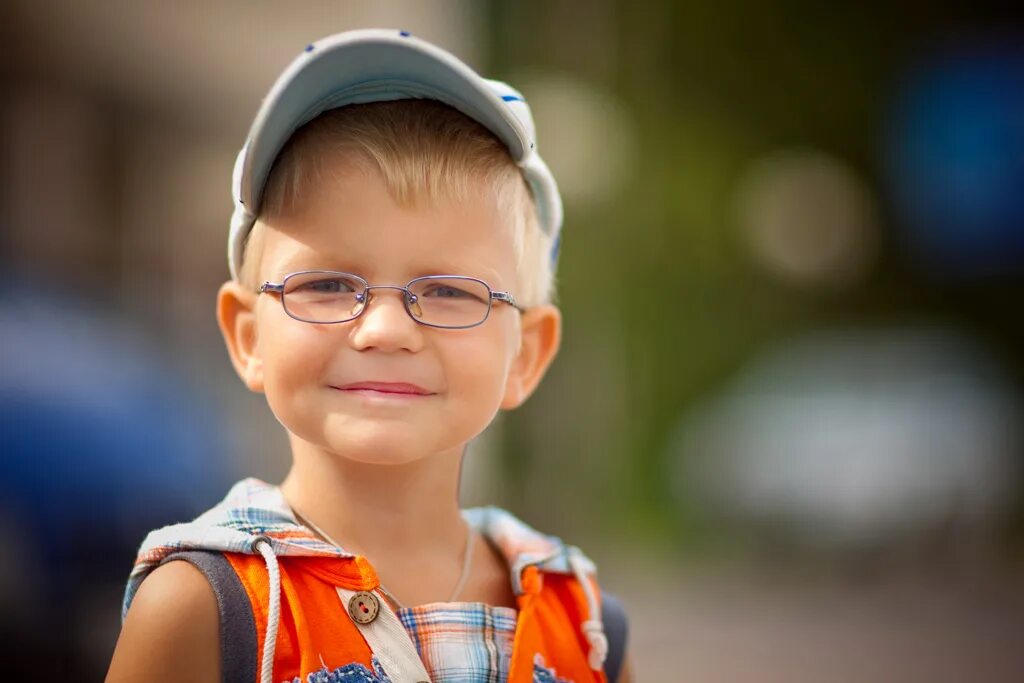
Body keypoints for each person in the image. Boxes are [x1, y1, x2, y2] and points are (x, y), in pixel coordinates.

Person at [106, 29, 631, 683]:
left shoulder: (585, 623)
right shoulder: (205, 608)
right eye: (326, 284)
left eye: (446, 291)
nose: (384, 329)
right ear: (247, 336)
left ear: (525, 353)